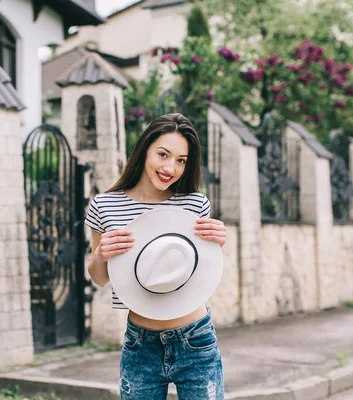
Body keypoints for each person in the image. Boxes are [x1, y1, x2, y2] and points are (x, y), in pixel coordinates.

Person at [84, 113, 227, 400]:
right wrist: (101, 256)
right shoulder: (105, 206)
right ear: (144, 149)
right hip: (141, 342)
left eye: (181, 160)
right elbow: (99, 279)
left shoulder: (195, 204)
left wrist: (217, 243)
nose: (170, 167)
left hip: (195, 337)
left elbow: (201, 271)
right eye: (163, 154)